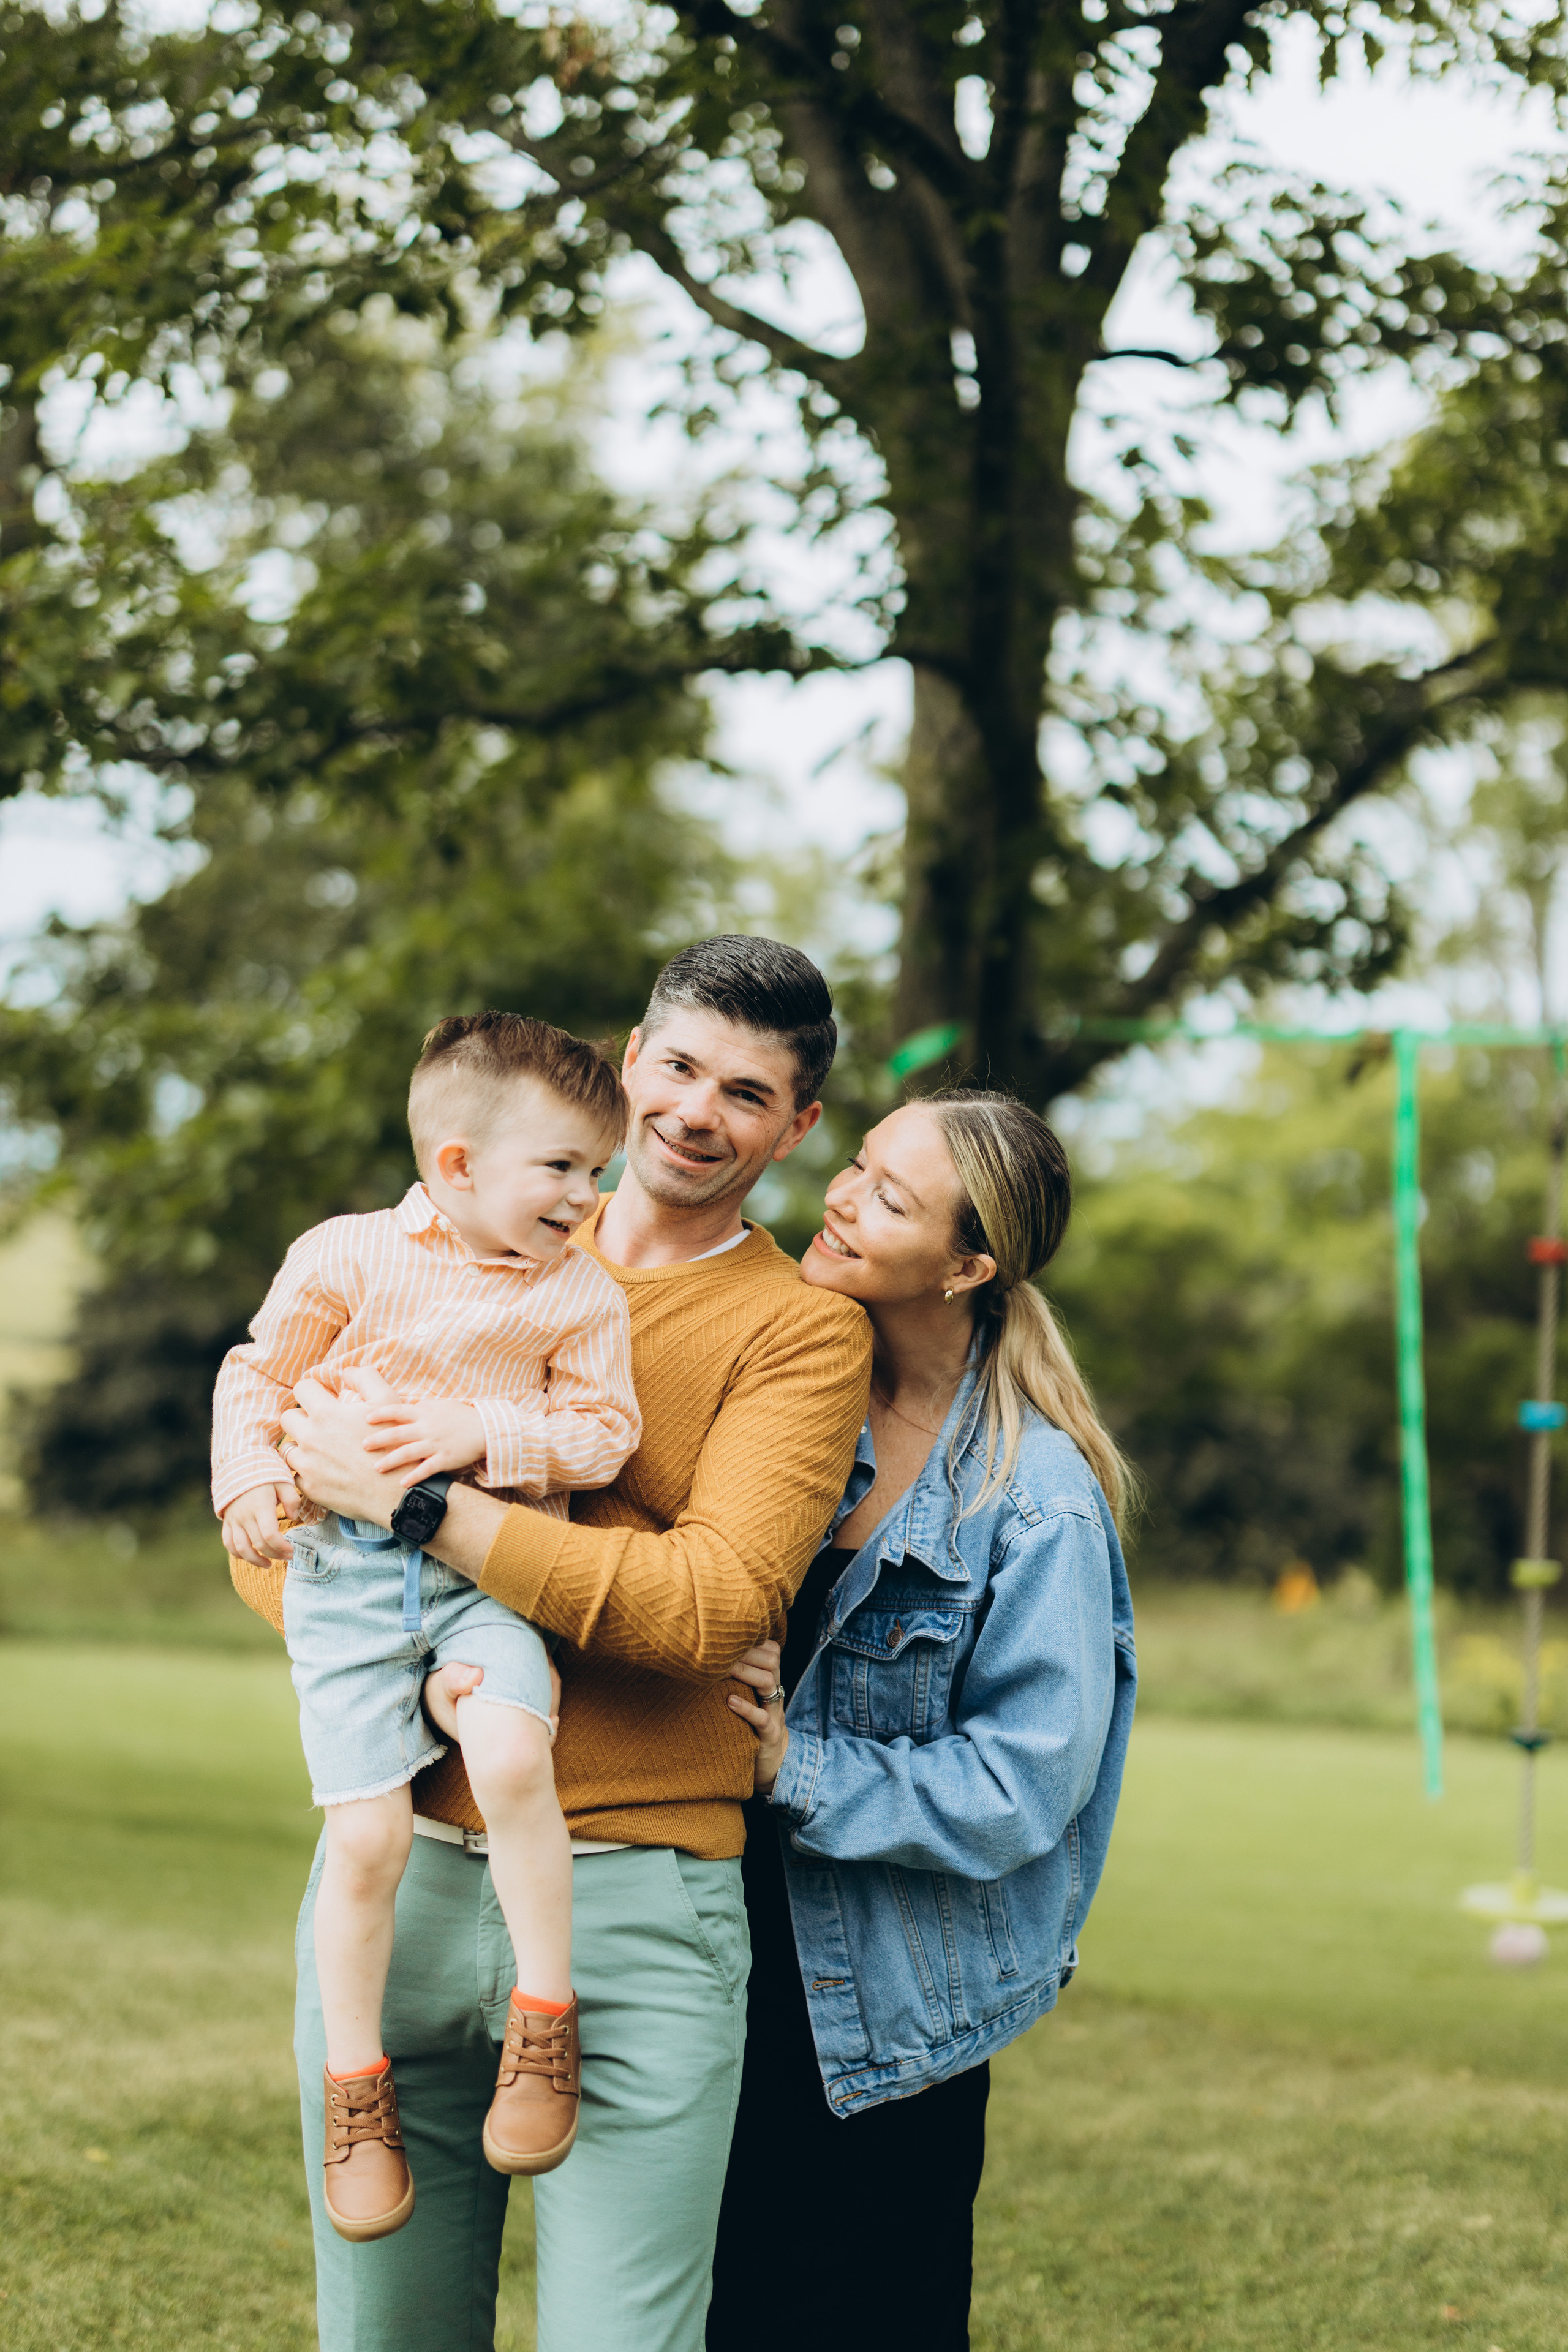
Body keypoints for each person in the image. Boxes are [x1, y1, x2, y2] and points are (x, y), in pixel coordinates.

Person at [230, 937, 873, 2352]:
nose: (699, 1112)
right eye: (683, 1066)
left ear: (796, 1125)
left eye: (749, 1094)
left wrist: (417, 1511)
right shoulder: (442, 1243)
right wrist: (400, 1644)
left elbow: (708, 1606)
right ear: (632, 1059)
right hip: (396, 1884)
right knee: (382, 2333)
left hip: (639, 1905)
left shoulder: (800, 1334)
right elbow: (279, 1521)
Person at [709, 1089, 1138, 2352]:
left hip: (882, 2005)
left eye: (889, 1200)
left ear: (967, 1264)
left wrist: (797, 1766)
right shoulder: (793, 1398)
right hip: (710, 1937)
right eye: (856, 1166)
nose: (839, 1197)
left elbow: (1023, 1784)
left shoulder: (1034, 1502)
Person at [213, 1014, 641, 2239]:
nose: (585, 1194)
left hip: (479, 1580)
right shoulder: (346, 1257)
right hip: (345, 1585)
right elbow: (258, 1374)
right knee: (365, 1845)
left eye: (594, 1170)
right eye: (559, 1168)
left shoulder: (578, 1295)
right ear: (456, 1165)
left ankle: (542, 2018)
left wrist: (477, 1442)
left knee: (511, 1755)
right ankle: (358, 2088)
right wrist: (248, 1478)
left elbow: (605, 1435)